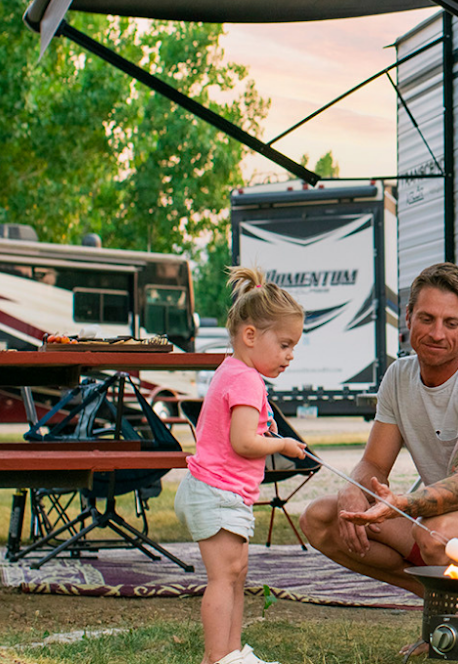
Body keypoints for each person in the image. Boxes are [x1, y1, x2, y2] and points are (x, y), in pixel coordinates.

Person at [300, 262, 458, 597]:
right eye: (427, 318)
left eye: (451, 323)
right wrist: (353, 488)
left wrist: (402, 503)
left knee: (436, 536)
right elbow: (374, 465)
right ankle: (441, 601)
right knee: (320, 518)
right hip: (444, 528)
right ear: (407, 318)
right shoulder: (398, 377)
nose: (437, 333)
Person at [175, 266, 309, 664]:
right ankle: (217, 657)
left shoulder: (233, 370)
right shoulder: (248, 380)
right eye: (284, 344)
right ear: (250, 336)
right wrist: (282, 443)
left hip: (220, 492)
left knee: (236, 573)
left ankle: (231, 653)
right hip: (217, 493)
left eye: (293, 347)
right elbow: (243, 442)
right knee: (224, 577)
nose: (290, 355)